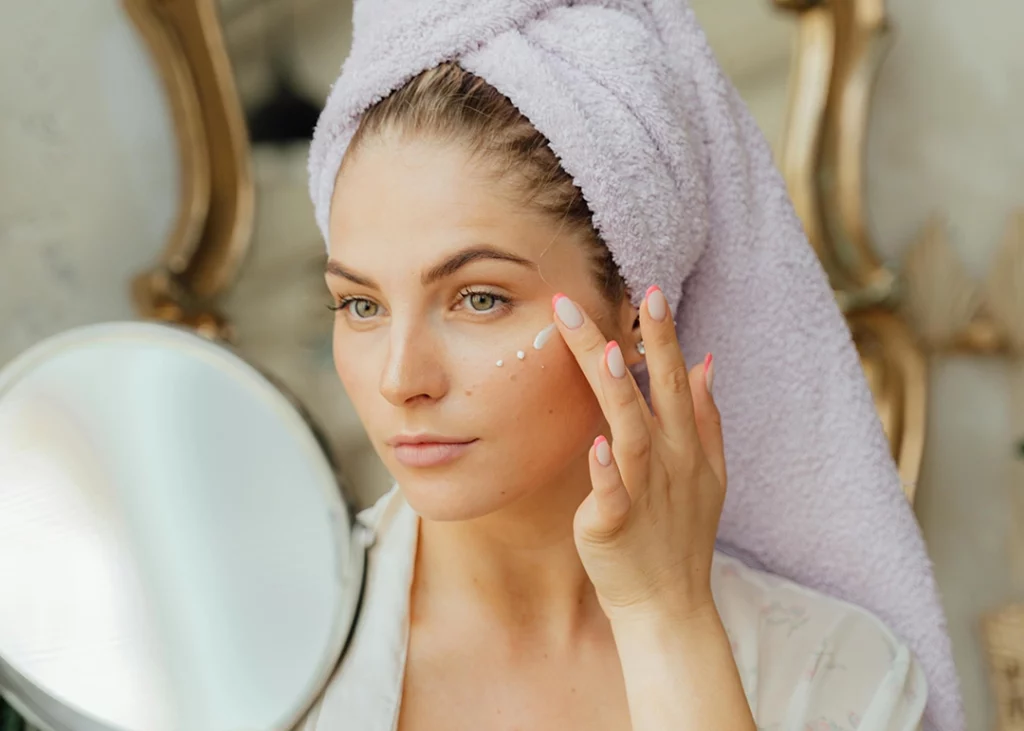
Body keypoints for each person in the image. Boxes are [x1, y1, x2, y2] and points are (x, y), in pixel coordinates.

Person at [301, 2, 963, 730]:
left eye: (479, 298)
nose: (400, 379)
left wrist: (669, 623)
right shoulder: (255, 648)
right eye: (360, 305)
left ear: (636, 307)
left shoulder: (838, 677)